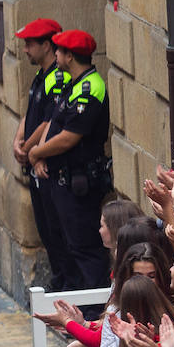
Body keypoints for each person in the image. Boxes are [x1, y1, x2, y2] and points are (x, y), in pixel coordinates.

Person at [29, 29, 112, 291]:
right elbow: (53, 121)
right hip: (62, 178)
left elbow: (69, 137)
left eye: (60, 51)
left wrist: (36, 153)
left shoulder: (91, 88)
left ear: (70, 56)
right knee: (66, 243)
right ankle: (75, 303)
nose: (56, 55)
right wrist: (40, 155)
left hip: (80, 180)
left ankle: (92, 311)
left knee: (85, 246)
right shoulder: (71, 84)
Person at [11, 18, 72, 290]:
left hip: (48, 167)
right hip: (34, 162)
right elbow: (30, 114)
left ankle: (66, 285)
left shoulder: (57, 78)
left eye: (29, 44)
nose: (25, 49)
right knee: (46, 230)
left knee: (58, 231)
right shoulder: (41, 76)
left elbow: (49, 121)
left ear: (47, 45)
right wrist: (18, 140)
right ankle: (59, 282)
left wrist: (29, 150)